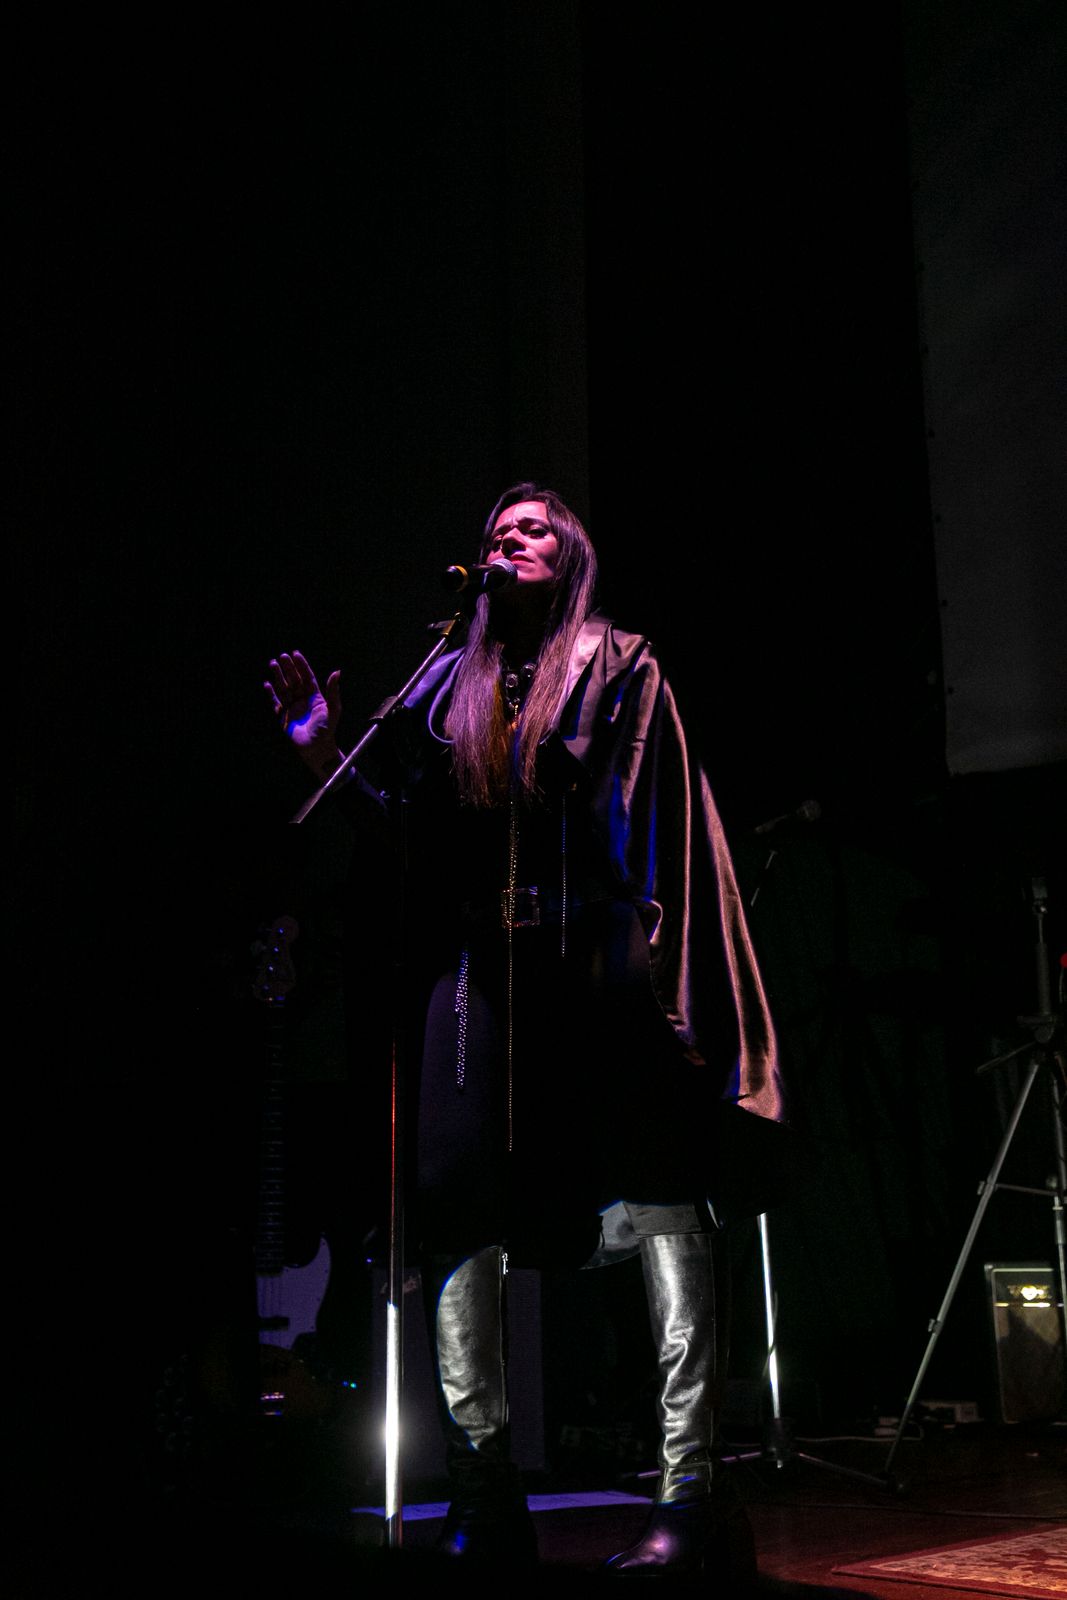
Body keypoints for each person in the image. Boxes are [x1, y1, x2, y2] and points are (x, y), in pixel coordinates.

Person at [264, 483, 785, 1576]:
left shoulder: (620, 662)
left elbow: (649, 813)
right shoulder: (443, 682)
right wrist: (324, 757)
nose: (509, 539)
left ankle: (691, 1490)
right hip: (477, 978)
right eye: (498, 531)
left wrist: (646, 967)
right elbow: (402, 840)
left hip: (595, 960)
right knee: (454, 1208)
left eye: (534, 528)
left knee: (660, 1192)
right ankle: (483, 1493)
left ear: (571, 558)